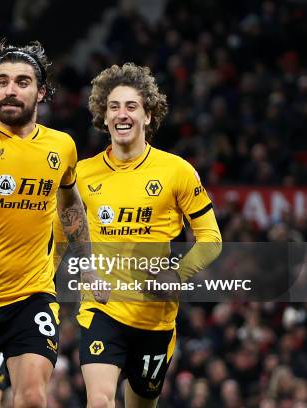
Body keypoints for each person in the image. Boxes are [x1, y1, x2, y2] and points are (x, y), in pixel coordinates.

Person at [76, 63, 222, 407]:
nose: (121, 114)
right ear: (103, 114)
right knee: (99, 401)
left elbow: (211, 238)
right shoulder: (83, 174)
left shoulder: (177, 171)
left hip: (156, 319)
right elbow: (55, 237)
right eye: (114, 107)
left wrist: (179, 273)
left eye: (131, 106)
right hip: (102, 310)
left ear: (148, 115)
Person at [0, 40, 94, 408]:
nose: (11, 90)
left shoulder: (61, 147)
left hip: (31, 296)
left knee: (32, 398)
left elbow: (69, 199)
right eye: (2, 82)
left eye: (22, 82)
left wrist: (87, 263)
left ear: (42, 91)